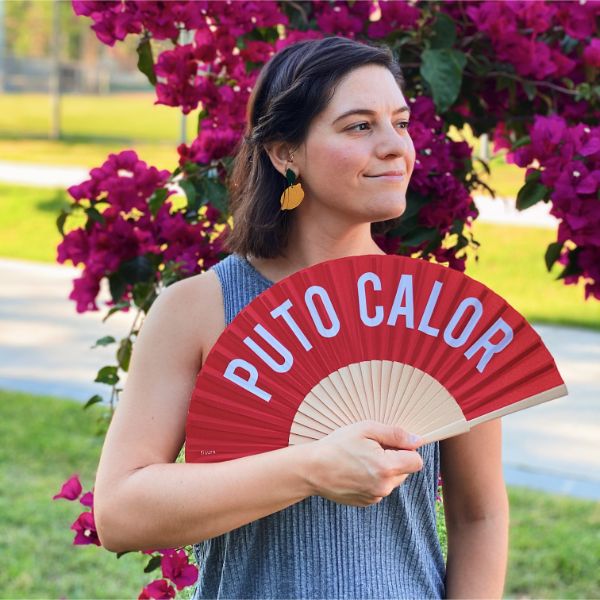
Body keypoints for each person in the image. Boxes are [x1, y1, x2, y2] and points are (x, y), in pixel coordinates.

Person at [93, 36, 509, 599]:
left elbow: (479, 516)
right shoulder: (197, 309)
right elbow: (120, 513)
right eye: (360, 126)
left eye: (401, 122)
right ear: (284, 152)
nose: (395, 147)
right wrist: (311, 468)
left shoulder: (443, 313)